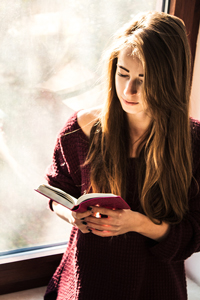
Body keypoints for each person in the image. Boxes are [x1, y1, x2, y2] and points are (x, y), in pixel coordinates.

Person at [44, 11, 200, 300]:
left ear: (170, 79)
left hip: (156, 288)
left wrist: (136, 223)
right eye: (123, 73)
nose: (129, 90)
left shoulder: (194, 142)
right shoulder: (79, 131)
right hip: (83, 285)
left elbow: (194, 234)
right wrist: (72, 216)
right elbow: (56, 194)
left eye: (144, 78)